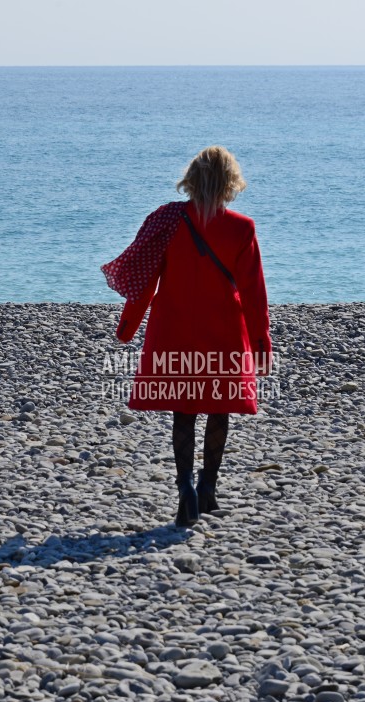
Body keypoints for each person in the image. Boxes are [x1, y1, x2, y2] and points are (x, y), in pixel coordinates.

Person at [101, 146, 272, 528]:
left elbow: (144, 283)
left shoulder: (167, 221)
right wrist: (261, 346)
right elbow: (254, 293)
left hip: (174, 329)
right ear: (230, 182)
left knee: (184, 409)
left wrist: (128, 326)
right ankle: (208, 488)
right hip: (224, 330)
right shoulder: (242, 228)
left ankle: (186, 491)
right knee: (218, 407)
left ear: (191, 180)